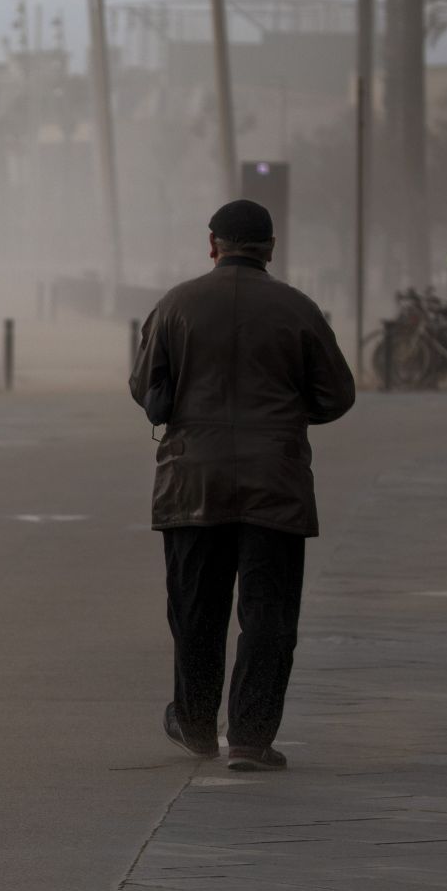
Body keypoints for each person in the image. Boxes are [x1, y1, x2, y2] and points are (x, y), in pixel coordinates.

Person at [129, 200, 355, 772]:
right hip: (274, 482)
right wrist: (282, 418)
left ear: (213, 244)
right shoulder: (298, 308)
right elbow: (337, 395)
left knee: (196, 608)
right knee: (269, 611)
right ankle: (251, 736)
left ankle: (198, 723)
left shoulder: (175, 304)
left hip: (191, 480)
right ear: (271, 247)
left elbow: (143, 384)